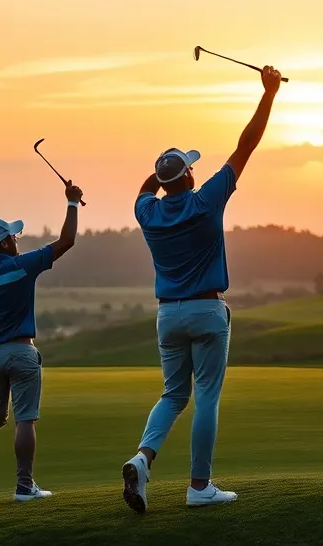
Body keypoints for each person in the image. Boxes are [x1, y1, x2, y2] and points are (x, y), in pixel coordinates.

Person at [121, 65, 284, 513]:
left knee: (173, 394)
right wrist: (268, 93)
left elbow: (144, 189)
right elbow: (245, 145)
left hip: (167, 315)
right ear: (190, 178)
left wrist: (164, 173)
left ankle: (143, 457)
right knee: (206, 397)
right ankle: (199, 487)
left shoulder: (147, 213)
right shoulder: (207, 198)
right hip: (207, 312)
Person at [0, 179, 85, 504]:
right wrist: (72, 202)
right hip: (22, 352)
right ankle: (25, 487)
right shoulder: (21, 266)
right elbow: (67, 240)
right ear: (6, 243)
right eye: (14, 236)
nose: (17, 240)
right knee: (25, 419)